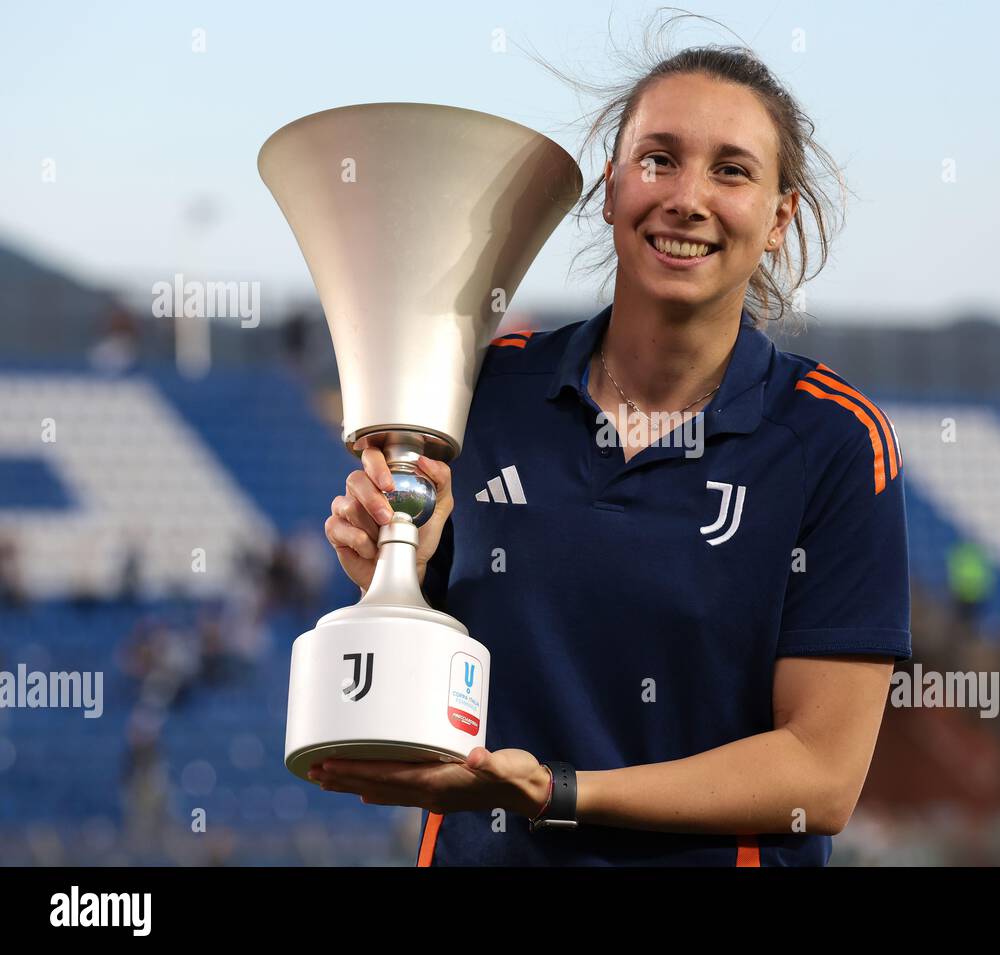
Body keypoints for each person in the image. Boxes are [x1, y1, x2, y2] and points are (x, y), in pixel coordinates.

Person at [316, 37, 911, 866]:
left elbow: (820, 775)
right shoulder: (480, 391)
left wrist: (557, 792)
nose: (688, 198)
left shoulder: (835, 441)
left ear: (780, 217)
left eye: (732, 171)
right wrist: (394, 575)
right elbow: (436, 675)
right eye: (659, 160)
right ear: (609, 188)